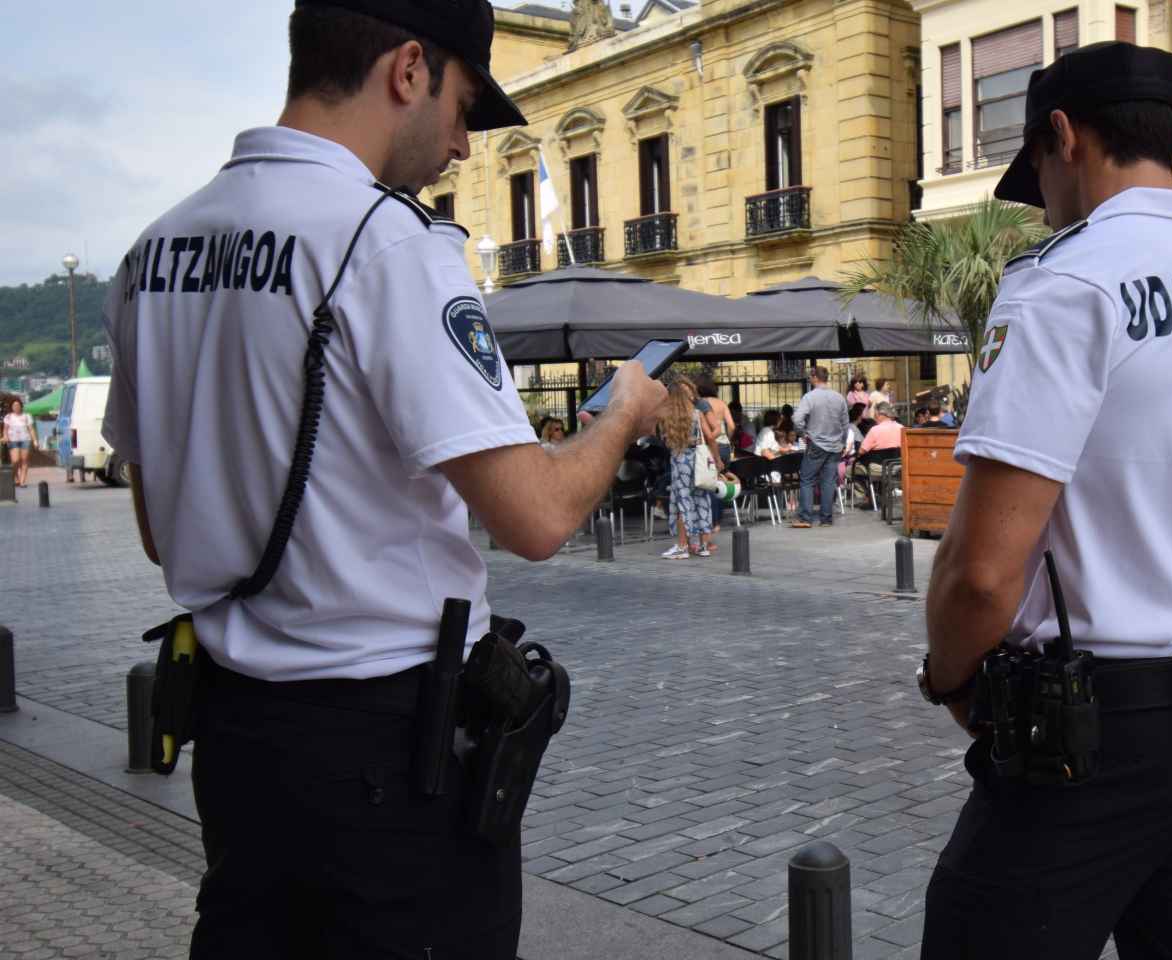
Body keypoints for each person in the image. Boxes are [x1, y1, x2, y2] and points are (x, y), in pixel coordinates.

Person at [98, 3, 667, 955]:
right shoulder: (393, 247)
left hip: (234, 739)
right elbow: (534, 515)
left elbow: (163, 531)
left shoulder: (151, 252)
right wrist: (625, 414)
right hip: (387, 761)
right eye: (462, 106)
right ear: (408, 68)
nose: (460, 147)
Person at [916, 42, 1172, 959]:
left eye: (1038, 175)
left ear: (1062, 137)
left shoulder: (1065, 285)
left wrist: (948, 677)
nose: (1046, 203)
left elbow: (983, 575)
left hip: (1089, 735)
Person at [789, 366, 849, 528]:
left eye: (810, 376)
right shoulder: (839, 397)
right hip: (835, 445)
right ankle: (826, 519)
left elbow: (797, 419)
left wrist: (803, 434)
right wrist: (842, 442)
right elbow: (845, 424)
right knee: (828, 482)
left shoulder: (810, 397)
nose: (809, 379)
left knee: (807, 480)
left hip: (816, 443)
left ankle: (805, 518)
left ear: (815, 377)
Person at [660, 381, 715, 559]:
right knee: (701, 499)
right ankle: (703, 546)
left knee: (683, 501)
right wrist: (716, 458)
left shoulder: (668, 417)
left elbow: (665, 440)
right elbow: (711, 434)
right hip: (698, 460)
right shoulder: (697, 414)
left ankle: (683, 546)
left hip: (680, 460)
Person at [695, 374, 734, 532]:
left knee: (708, 484)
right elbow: (731, 426)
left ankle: (712, 521)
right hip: (724, 445)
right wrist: (728, 440)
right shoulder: (721, 403)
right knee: (719, 483)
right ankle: (718, 520)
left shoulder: (700, 404)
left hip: (708, 445)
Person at [4, 399, 36, 486]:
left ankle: (22, 481)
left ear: (21, 406)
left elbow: (31, 429)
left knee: (24, 460)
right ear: (12, 407)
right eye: (14, 406)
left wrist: (35, 440)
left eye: (18, 405)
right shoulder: (8, 417)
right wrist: (6, 437)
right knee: (15, 460)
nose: (16, 407)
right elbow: (5, 429)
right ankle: (15, 477)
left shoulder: (27, 416)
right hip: (13, 440)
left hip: (25, 439)